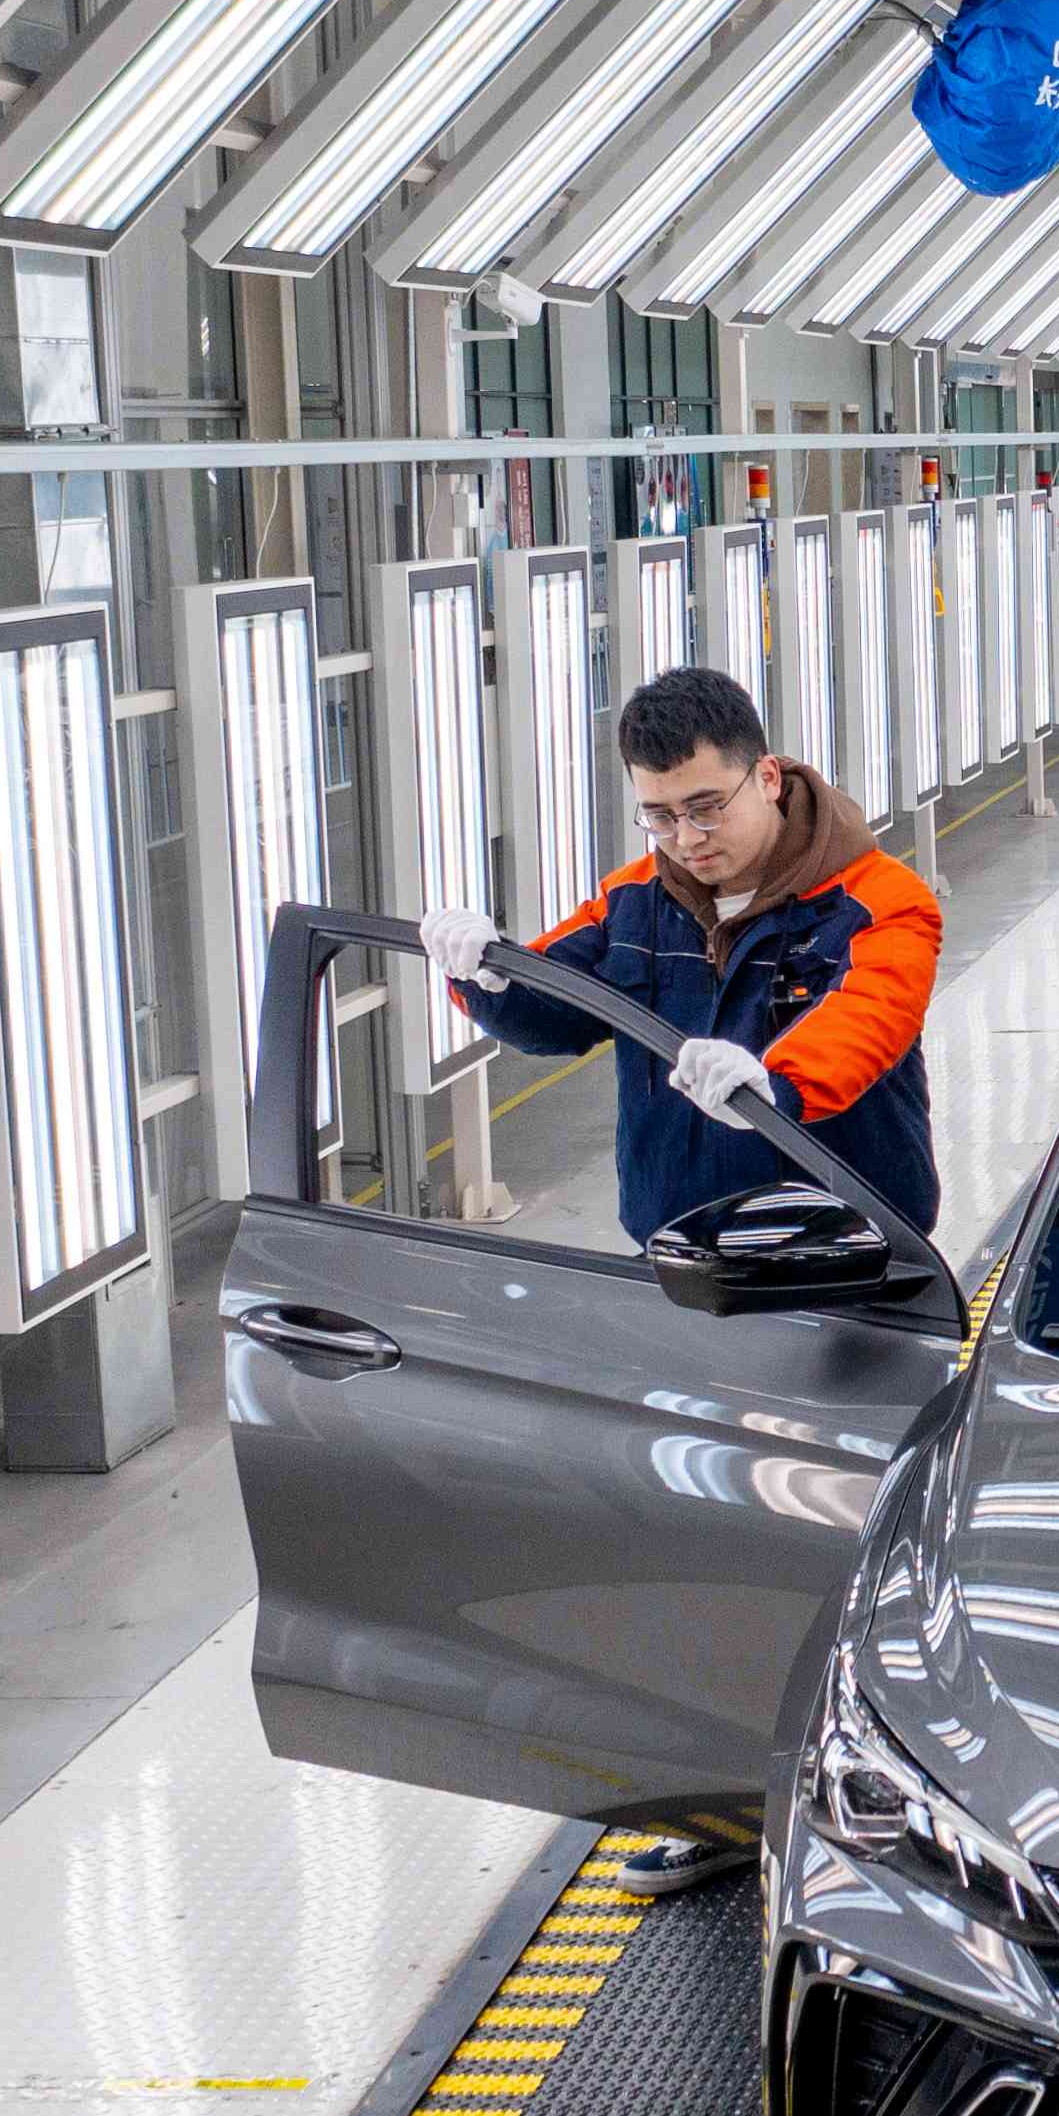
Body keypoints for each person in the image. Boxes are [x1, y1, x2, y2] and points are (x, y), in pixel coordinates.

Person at [419, 666, 944, 1898]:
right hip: (689, 1283)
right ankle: (723, 1814)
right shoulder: (641, 901)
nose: (684, 839)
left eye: (704, 808)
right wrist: (482, 973)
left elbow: (870, 1020)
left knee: (847, 1552)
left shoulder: (879, 902)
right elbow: (558, 1001)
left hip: (842, 1283)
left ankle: (881, 1800)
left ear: (768, 774)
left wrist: (776, 1080)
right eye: (656, 815)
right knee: (705, 1553)